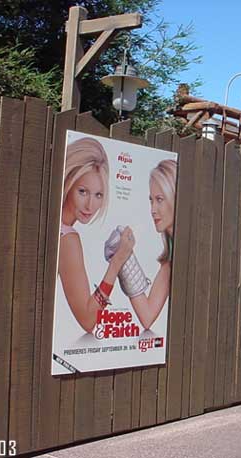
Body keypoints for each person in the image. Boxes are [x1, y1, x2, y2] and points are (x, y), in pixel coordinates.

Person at [58, 136, 134, 333]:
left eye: (98, 195)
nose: (90, 206)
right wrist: (117, 262)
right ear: (68, 184)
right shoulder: (67, 238)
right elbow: (88, 319)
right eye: (82, 191)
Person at [127, 159, 177, 330]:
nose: (152, 209)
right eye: (151, 200)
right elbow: (147, 316)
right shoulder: (171, 256)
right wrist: (124, 262)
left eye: (160, 199)